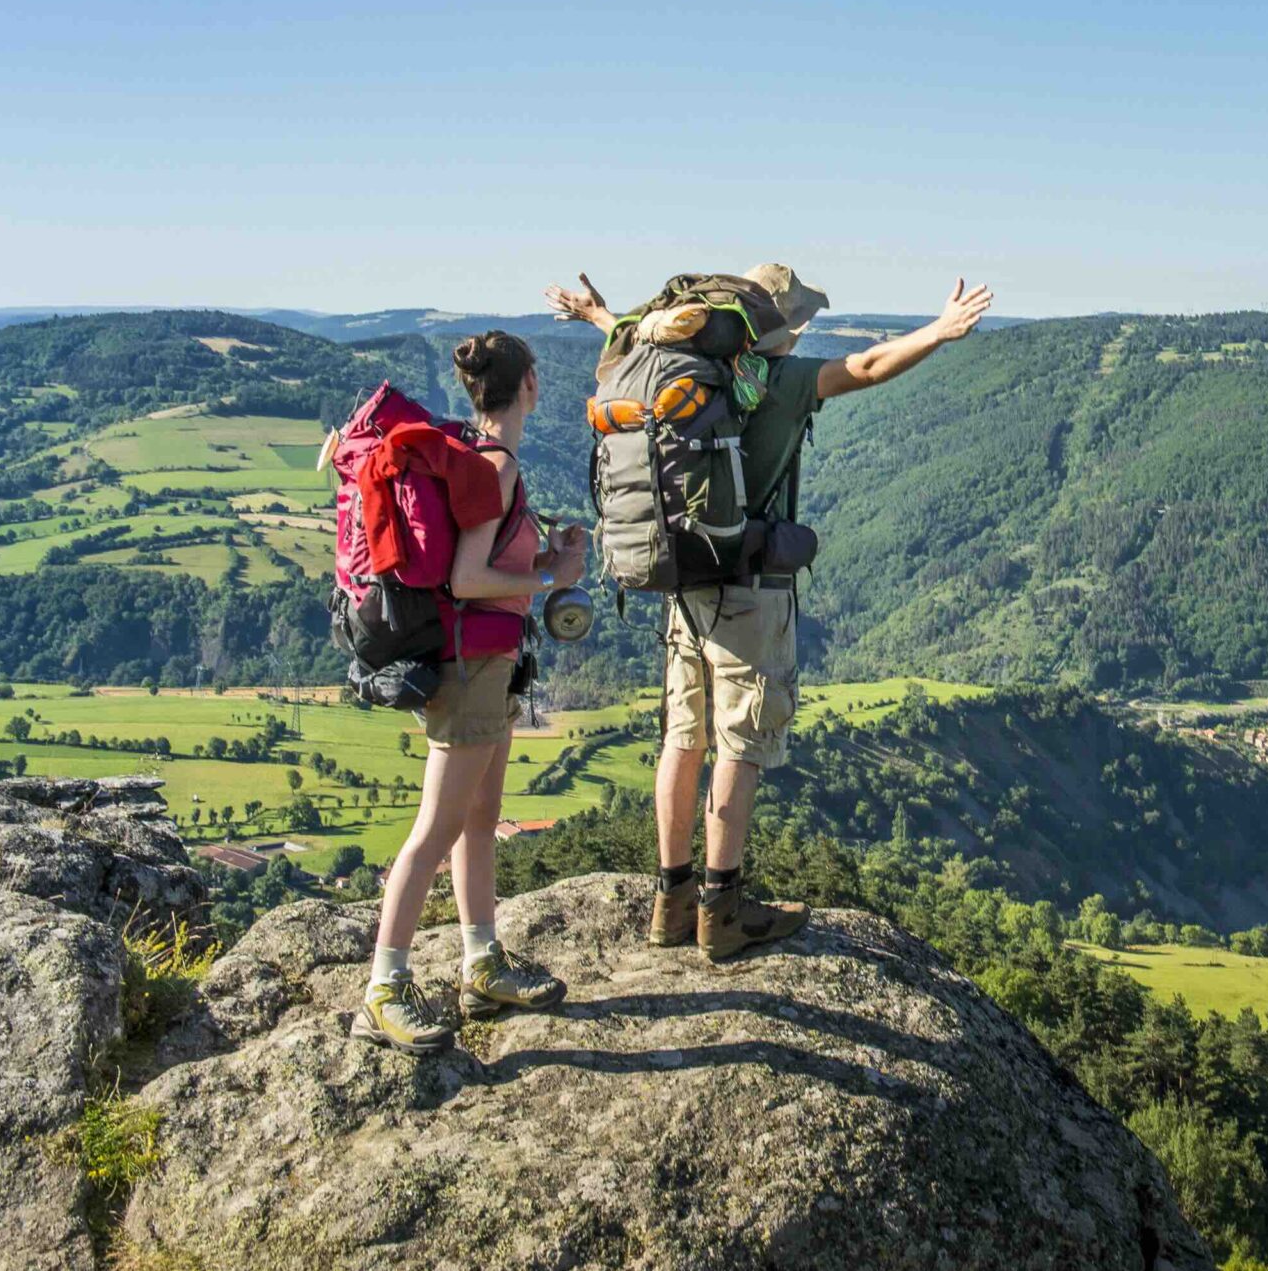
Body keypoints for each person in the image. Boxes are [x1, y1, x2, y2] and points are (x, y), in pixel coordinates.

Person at [547, 264, 993, 960]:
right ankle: (722, 908)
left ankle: (671, 898)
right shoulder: (778, 381)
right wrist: (938, 330)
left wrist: (600, 316)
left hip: (682, 576)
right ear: (780, 326)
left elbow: (632, 333)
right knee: (740, 744)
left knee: (682, 738)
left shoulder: (685, 374)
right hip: (750, 591)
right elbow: (868, 366)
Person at [353, 330, 588, 1052]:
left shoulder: (485, 461)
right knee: (436, 830)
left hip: (488, 663)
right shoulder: (497, 469)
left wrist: (548, 554)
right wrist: (552, 576)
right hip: (469, 667)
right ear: (529, 386)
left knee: (481, 819)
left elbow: (482, 561)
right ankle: (383, 989)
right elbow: (467, 578)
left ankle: (481, 964)